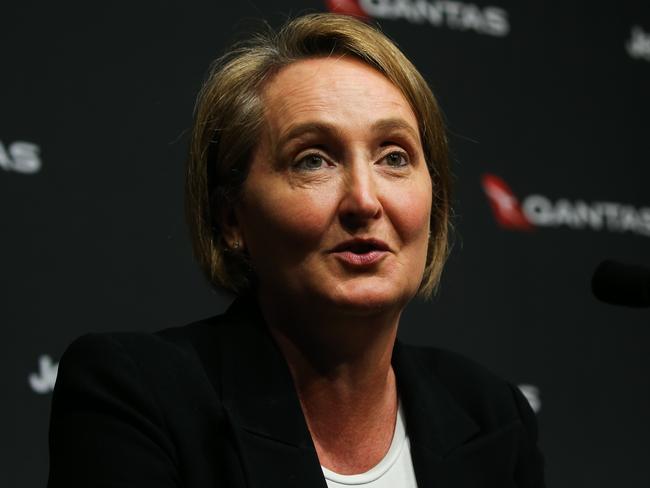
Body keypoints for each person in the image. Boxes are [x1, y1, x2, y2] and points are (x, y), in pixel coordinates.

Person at [48, 13, 545, 488]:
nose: (365, 201)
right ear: (231, 219)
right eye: (313, 161)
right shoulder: (139, 396)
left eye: (394, 157)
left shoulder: (491, 415)